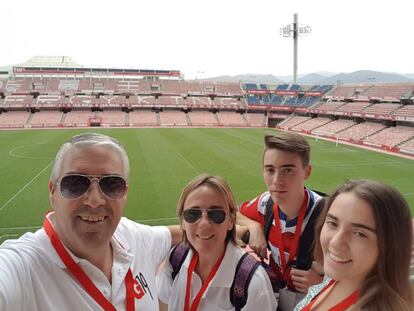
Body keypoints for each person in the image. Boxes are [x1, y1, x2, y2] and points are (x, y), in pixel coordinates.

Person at [0, 133, 182, 310]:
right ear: (52, 192)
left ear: (125, 193)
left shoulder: (131, 235)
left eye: (111, 184)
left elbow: (180, 233)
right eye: (75, 183)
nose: (94, 200)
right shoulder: (23, 267)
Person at [157, 174, 277, 310]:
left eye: (216, 215)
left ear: (231, 221)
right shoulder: (175, 259)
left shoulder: (254, 284)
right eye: (192, 214)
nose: (204, 224)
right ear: (183, 222)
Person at [294, 179, 413, 311]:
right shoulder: (341, 276)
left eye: (359, 233)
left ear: (391, 245)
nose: (335, 242)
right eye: (333, 223)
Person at [237, 132, 325, 310]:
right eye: (270, 170)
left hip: (316, 301)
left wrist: (324, 281)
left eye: (288, 170)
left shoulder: (328, 216)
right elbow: (232, 212)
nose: (276, 181)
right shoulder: (265, 203)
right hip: (278, 297)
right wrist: (254, 226)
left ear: (306, 172)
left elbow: (365, 269)